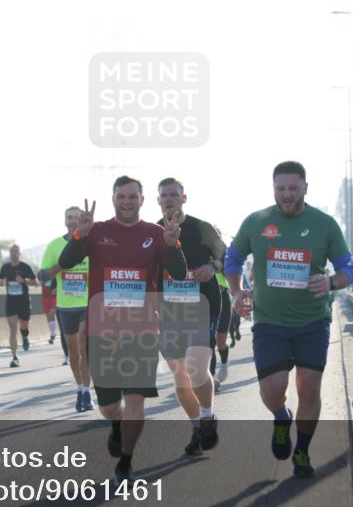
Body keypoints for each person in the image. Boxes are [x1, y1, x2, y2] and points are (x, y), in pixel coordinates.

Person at [226, 161, 353, 478]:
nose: (286, 195)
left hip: (313, 320)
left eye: (292, 188)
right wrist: (236, 292)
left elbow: (348, 269)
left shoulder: (324, 224)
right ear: (273, 189)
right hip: (269, 321)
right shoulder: (256, 222)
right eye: (280, 188)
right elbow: (232, 258)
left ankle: (302, 450)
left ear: (305, 189)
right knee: (273, 389)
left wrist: (330, 282)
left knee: (309, 389)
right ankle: (281, 416)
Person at [59, 177, 187, 484]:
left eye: (132, 197)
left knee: (135, 399)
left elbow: (179, 273)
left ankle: (126, 462)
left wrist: (173, 246)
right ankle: (116, 425)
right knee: (109, 406)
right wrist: (80, 234)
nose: (127, 202)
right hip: (102, 329)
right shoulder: (98, 231)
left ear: (143, 200)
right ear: (113, 199)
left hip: (143, 329)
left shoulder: (156, 234)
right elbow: (66, 262)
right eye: (121, 197)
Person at [155, 178, 225, 455]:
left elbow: (226, 257)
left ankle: (207, 414)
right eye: (164, 195)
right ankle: (198, 427)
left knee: (196, 366)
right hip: (170, 311)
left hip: (203, 304)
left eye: (174, 195)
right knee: (180, 377)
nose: (169, 199)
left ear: (184, 198)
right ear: (157, 200)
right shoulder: (152, 232)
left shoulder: (201, 228)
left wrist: (212, 265)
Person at [40, 206, 93, 412]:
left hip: (87, 305)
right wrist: (62, 266)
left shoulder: (91, 244)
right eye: (69, 218)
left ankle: (87, 393)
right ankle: (79, 388)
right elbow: (42, 277)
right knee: (73, 353)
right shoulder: (55, 245)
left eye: (76, 218)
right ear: (64, 221)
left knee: (83, 346)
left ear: (82, 220)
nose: (72, 221)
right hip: (65, 307)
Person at [0, 244, 37, 368]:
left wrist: (24, 281)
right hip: (11, 302)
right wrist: (1, 282)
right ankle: (15, 357)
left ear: (19, 253)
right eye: (12, 251)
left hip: (24, 302)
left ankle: (25, 337)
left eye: (16, 251)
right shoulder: (5, 267)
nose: (14, 253)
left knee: (23, 326)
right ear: (10, 254)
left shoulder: (25, 267)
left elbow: (36, 282)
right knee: (12, 329)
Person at [213, 270, 233, 387]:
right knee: (208, 341)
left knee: (220, 343)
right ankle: (212, 377)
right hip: (204, 295)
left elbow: (230, 271)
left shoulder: (221, 252)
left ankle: (224, 364)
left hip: (222, 296)